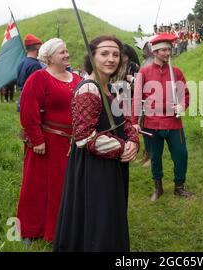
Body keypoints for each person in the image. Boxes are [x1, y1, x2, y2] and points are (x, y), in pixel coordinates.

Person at [54, 35, 139, 252]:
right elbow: (84, 136)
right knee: (99, 220)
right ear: (92, 57)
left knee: (110, 215)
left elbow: (124, 120)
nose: (111, 59)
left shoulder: (110, 88)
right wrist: (122, 147)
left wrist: (133, 141)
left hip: (111, 164)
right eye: (104, 53)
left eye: (116, 55)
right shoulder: (89, 89)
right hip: (94, 168)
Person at [17, 38, 82, 244]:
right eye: (62, 52)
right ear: (49, 57)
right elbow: (29, 111)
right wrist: (37, 140)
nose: (67, 54)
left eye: (67, 51)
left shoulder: (78, 79)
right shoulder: (39, 78)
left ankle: (59, 230)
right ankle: (30, 230)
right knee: (36, 186)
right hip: (47, 142)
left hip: (73, 143)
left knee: (64, 188)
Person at [131, 33, 194, 202]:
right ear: (155, 52)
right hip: (151, 123)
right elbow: (136, 99)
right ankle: (158, 188)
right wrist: (134, 122)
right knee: (155, 157)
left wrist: (181, 105)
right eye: (164, 50)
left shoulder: (177, 72)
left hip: (174, 123)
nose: (168, 53)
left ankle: (179, 187)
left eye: (169, 49)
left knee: (181, 155)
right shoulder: (143, 72)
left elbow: (185, 95)